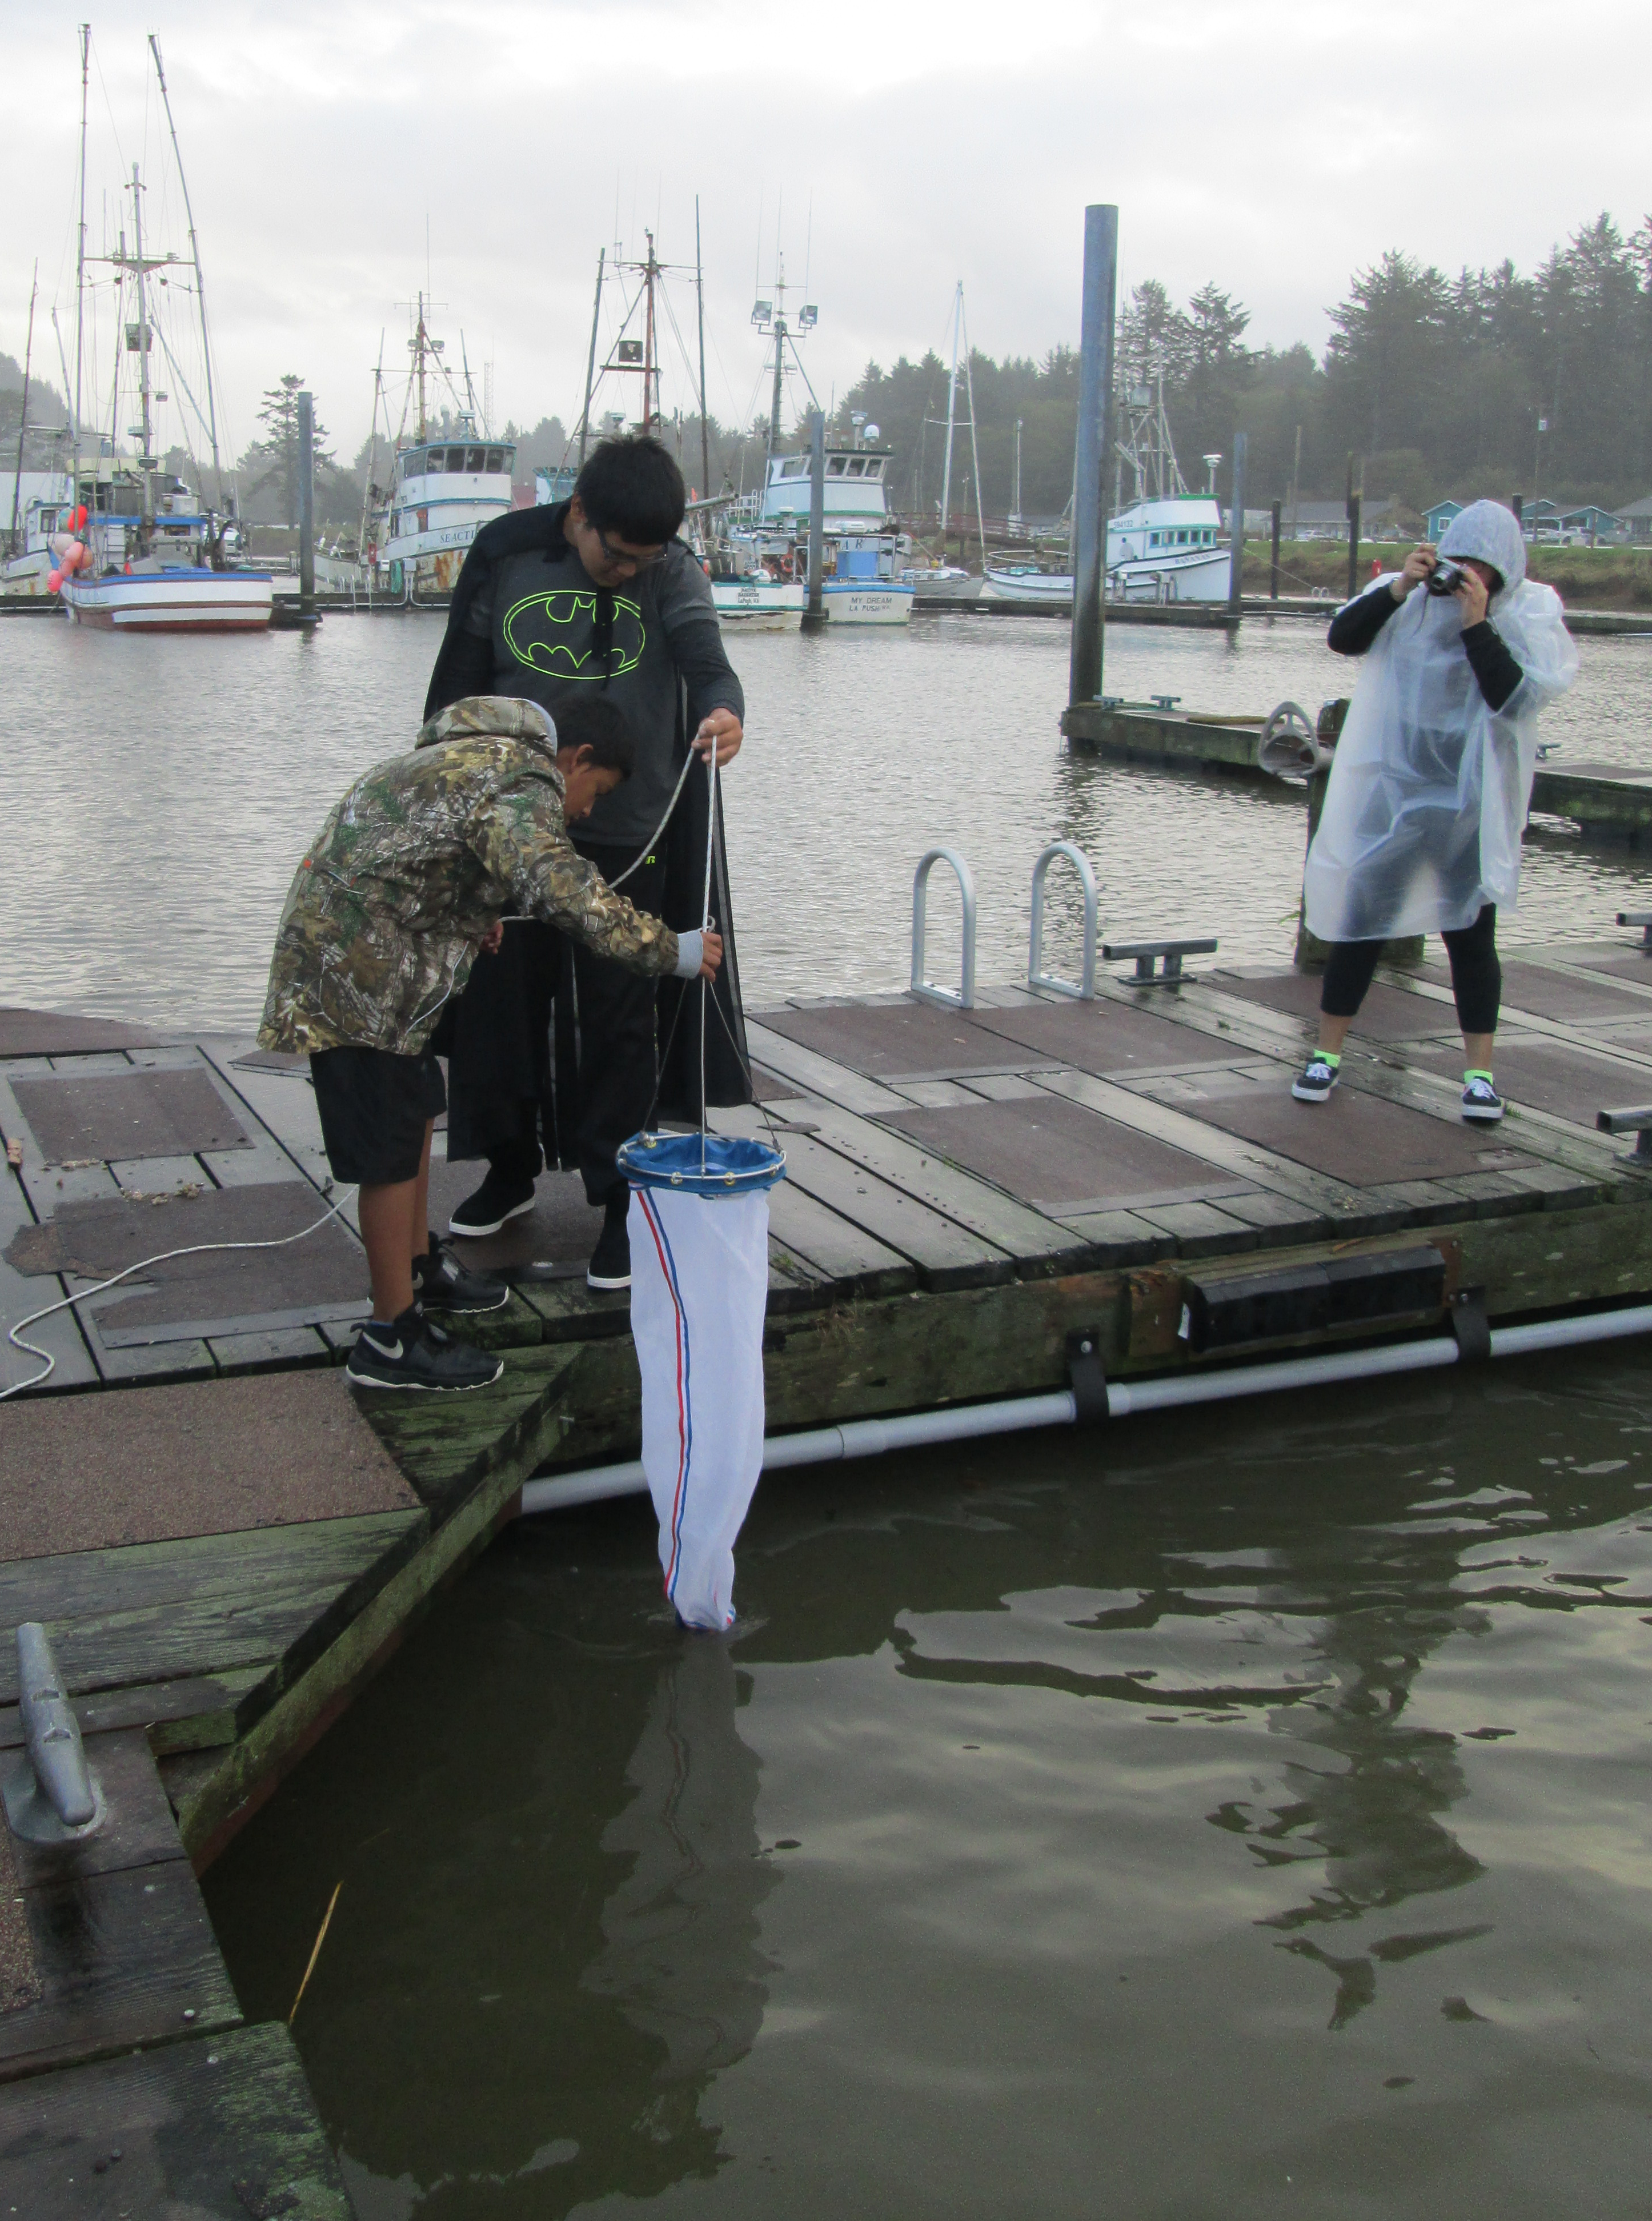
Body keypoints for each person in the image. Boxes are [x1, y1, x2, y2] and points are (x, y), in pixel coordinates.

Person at [257, 694, 723, 1393]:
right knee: (385, 1146)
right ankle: (390, 1339)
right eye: (596, 793)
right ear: (577, 759)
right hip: (351, 968)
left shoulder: (476, 758)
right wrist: (670, 950)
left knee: (413, 1107)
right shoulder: (521, 778)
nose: (590, 812)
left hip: (371, 951)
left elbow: (429, 849)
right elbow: (566, 891)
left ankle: (415, 1272)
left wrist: (468, 912)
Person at [423, 435, 748, 1292]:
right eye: (618, 554)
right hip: (513, 819)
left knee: (617, 1019)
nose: (631, 572)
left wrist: (724, 714)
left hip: (627, 827)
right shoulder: (505, 556)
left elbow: (710, 667)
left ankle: (617, 1201)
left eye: (647, 559)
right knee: (501, 1008)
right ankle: (509, 1168)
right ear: (578, 518)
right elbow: (454, 685)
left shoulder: (670, 570)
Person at [1294, 499, 1577, 1120]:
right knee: (1360, 927)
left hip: (1471, 806)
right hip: (1396, 793)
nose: (1465, 579)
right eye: (1459, 565)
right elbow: (1344, 637)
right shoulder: (1410, 601)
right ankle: (1327, 1055)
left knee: (1471, 936)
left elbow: (1514, 698)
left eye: (1482, 570)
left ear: (1504, 574)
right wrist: (1401, 585)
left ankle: (1479, 1074)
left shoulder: (1526, 614)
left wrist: (1478, 623)